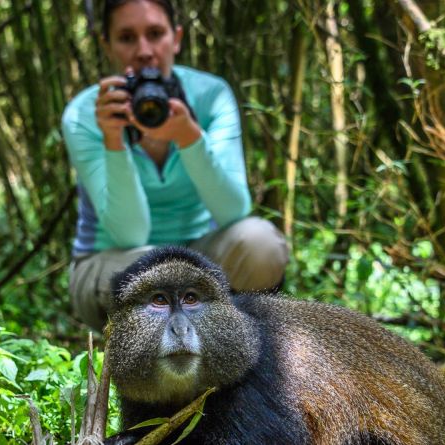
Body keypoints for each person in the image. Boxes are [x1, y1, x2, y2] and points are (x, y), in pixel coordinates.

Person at [62, 0, 288, 330]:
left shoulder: (211, 96)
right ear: (105, 45)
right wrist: (114, 140)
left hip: (200, 253)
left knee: (260, 243)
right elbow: (130, 233)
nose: (144, 51)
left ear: (176, 38)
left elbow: (233, 211)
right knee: (160, 275)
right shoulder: (85, 115)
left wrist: (189, 138)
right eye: (126, 38)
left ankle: (243, 352)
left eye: (155, 34)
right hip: (113, 261)